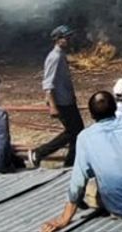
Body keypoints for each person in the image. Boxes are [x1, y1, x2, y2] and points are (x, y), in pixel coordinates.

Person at [39, 91, 122, 232]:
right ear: (115, 108)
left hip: (118, 208)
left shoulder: (85, 137)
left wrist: (64, 218)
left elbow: (77, 182)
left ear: (91, 115)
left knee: (91, 189)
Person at [32, 25, 84, 168]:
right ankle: (40, 152)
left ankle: (70, 163)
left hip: (67, 100)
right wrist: (53, 106)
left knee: (77, 133)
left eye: (69, 37)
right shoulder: (54, 57)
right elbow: (48, 84)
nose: (69, 40)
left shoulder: (61, 55)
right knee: (74, 132)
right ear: (58, 39)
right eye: (66, 38)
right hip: (62, 102)